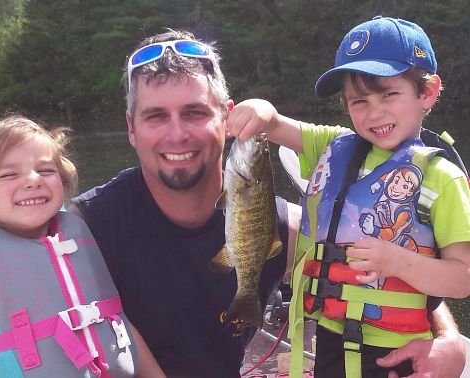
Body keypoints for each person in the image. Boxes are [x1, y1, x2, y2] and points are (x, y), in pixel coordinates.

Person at [73, 28, 467, 377]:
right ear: (131, 128)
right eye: (156, 116)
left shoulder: (280, 225)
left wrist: (448, 339)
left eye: (194, 112)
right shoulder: (84, 226)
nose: (177, 135)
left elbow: (360, 260)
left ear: (229, 120)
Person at [228, 16, 470, 378]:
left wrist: (399, 263)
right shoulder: (332, 144)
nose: (374, 112)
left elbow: (463, 277)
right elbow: (274, 124)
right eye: (359, 101)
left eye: (389, 93)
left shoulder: (442, 178)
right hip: (327, 337)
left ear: (428, 92)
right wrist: (259, 109)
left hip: (394, 354)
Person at [0, 116, 163, 377]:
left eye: (46, 170)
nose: (33, 180)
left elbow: (115, 320)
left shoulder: (80, 249)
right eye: (9, 174)